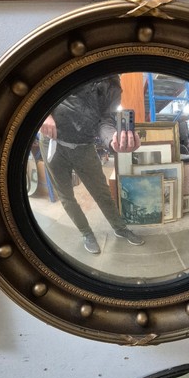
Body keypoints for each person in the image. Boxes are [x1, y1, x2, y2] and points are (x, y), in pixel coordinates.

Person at [39, 74, 145, 254]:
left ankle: (120, 228)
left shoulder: (113, 84)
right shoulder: (71, 64)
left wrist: (113, 140)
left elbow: (106, 121)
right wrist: (45, 113)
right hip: (52, 141)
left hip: (84, 146)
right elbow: (41, 86)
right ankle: (86, 233)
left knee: (102, 192)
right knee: (66, 195)